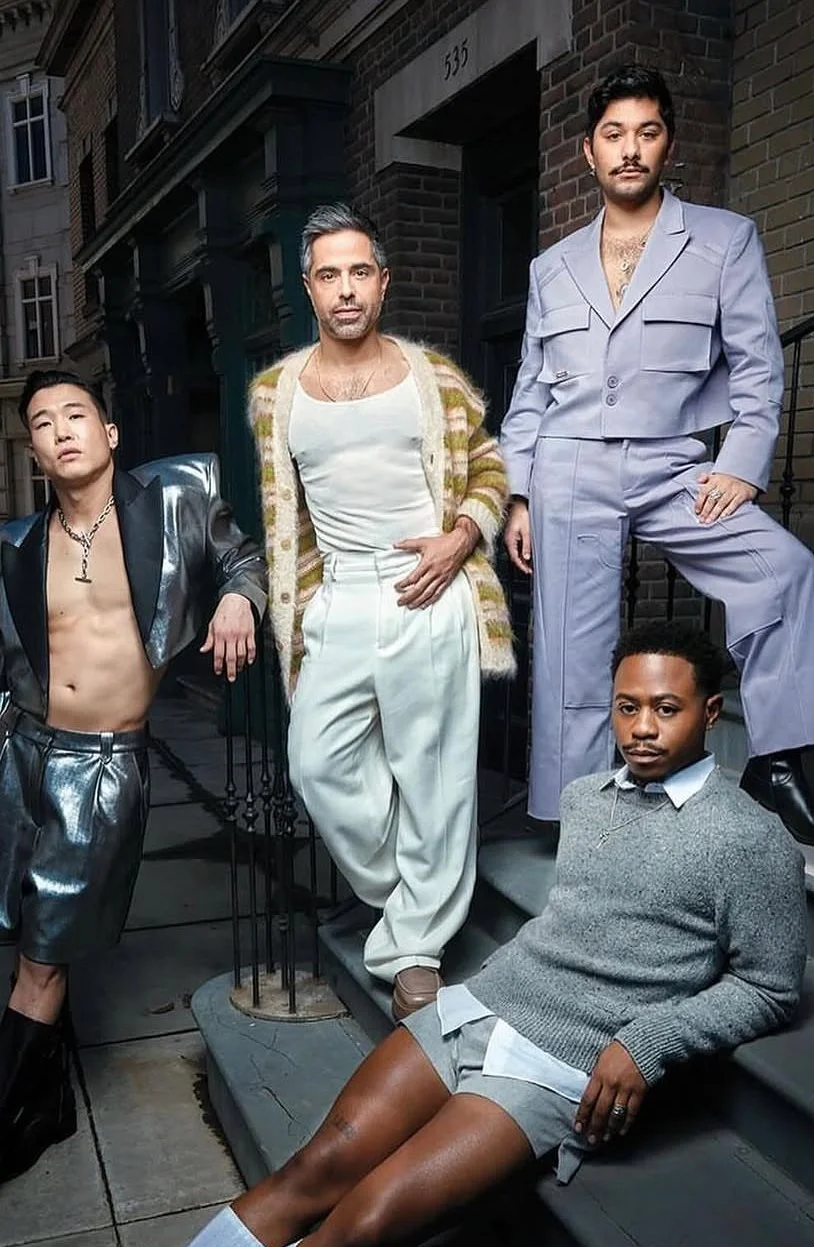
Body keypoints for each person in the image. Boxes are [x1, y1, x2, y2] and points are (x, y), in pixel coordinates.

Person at [0, 621, 806, 1247]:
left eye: (665, 709)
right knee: (318, 1164)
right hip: (487, 1002)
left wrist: (647, 1041)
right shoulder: (589, 800)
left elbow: (769, 985)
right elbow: (575, 926)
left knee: (362, 1228)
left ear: (711, 712)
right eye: (626, 708)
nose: (642, 729)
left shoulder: (747, 839)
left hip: (562, 1059)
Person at [0, 370, 267, 1247]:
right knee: (30, 934)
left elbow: (246, 559)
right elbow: (1, 684)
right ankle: (51, 1108)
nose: (61, 430)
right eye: (42, 423)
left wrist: (233, 597)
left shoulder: (178, 497)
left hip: (102, 769)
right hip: (20, 757)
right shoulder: (3, 553)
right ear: (32, 451)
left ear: (109, 430)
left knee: (39, 961)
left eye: (76, 414)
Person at [500, 63, 814, 852]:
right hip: (567, 467)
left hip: (674, 465)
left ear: (666, 143)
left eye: (645, 131)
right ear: (587, 153)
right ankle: (578, 819)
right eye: (612, 135)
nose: (628, 149)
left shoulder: (722, 239)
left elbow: (756, 362)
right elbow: (530, 388)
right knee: (572, 656)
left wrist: (740, 460)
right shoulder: (549, 267)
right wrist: (520, 494)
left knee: (782, 570)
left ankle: (776, 765)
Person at [248, 202, 516, 1022]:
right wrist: (281, 601)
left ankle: (415, 951)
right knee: (317, 765)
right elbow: (280, 517)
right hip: (338, 598)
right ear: (308, 288)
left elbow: (490, 466)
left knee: (434, 777)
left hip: (427, 585)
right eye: (328, 275)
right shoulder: (273, 393)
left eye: (359, 271)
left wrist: (461, 536)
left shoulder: (433, 378)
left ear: (383, 280)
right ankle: (414, 889)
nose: (345, 289)